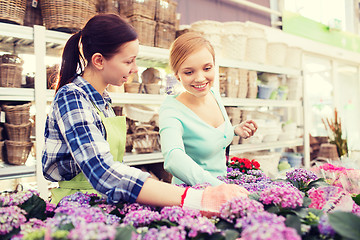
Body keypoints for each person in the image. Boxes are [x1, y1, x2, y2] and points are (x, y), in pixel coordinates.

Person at [41, 14, 249, 215]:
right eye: (128, 61)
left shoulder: (101, 99)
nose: (134, 69)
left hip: (103, 201)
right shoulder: (72, 98)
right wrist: (196, 198)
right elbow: (104, 173)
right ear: (99, 60)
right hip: (77, 208)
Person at [159, 32, 258, 186]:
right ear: (177, 75)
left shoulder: (213, 94)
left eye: (207, 68)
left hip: (223, 189)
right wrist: (219, 187)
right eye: (189, 72)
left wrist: (234, 129)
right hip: (192, 195)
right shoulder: (171, 109)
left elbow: (209, 135)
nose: (200, 78)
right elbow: (173, 158)